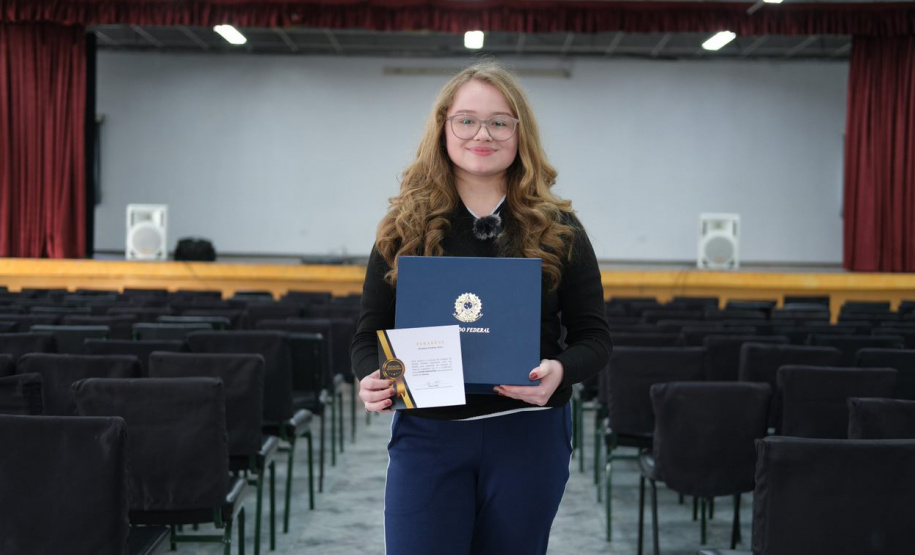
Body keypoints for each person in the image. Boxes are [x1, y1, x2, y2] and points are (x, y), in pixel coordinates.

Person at [350, 60, 612, 555]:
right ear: (443, 129)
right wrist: (371, 376)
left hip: (528, 435)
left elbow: (595, 338)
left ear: (519, 132)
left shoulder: (559, 228)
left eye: (499, 122)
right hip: (429, 436)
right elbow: (368, 336)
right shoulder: (405, 226)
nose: (482, 134)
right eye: (466, 120)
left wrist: (560, 371)